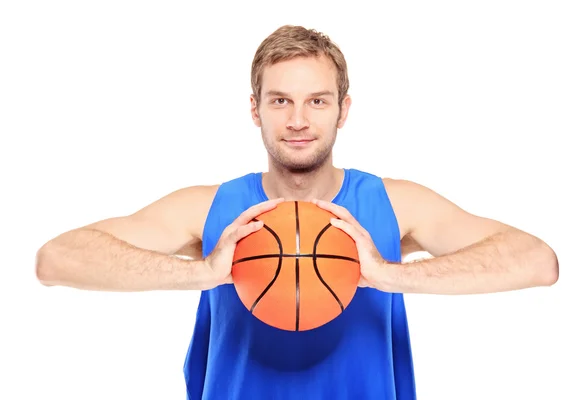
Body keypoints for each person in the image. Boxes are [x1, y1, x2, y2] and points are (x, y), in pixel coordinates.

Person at [35, 25, 559, 399]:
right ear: (255, 108)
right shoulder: (211, 208)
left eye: (318, 100)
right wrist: (203, 271)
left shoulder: (395, 204)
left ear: (343, 109)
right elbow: (57, 259)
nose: (298, 120)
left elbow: (537, 262)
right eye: (281, 101)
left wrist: (386, 275)